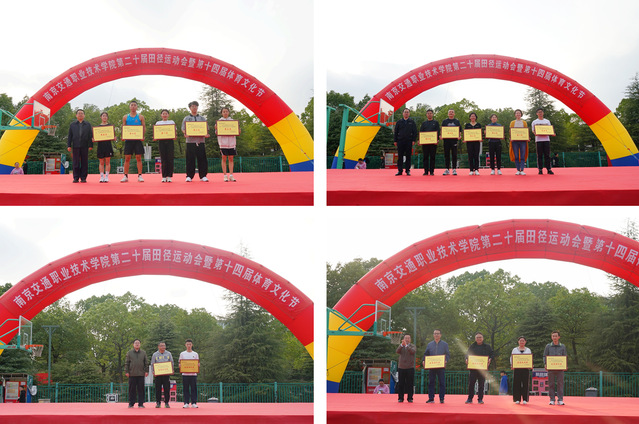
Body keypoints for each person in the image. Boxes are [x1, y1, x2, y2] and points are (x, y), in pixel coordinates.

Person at [181, 101, 209, 182]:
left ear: (197, 107)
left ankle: (203, 176)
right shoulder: (186, 118)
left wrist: (206, 134)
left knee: (202, 159)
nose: (194, 108)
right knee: (190, 159)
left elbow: (206, 128)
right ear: (190, 108)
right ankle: (189, 176)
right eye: (192, 106)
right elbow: (183, 129)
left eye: (196, 106)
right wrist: (185, 133)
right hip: (190, 142)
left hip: (201, 141)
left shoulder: (202, 118)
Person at [121, 100, 146, 182]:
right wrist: (123, 136)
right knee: (127, 158)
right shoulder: (125, 117)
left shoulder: (140, 117)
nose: (133, 106)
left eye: (135, 105)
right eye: (132, 105)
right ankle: (125, 175)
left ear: (137, 107)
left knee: (138, 158)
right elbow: (123, 127)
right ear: (129, 106)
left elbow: (144, 127)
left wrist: (143, 136)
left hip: (137, 140)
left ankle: (140, 175)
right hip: (128, 140)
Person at [465, 332, 493, 404]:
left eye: (480, 337)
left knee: (481, 384)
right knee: (471, 384)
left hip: (482, 369)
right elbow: (467, 354)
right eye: (477, 337)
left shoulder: (487, 346)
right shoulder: (472, 346)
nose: (479, 339)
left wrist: (490, 359)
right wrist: (466, 359)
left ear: (482, 338)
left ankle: (480, 399)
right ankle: (469, 398)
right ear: (475, 338)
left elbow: (492, 354)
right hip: (473, 368)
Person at [422, 329, 450, 403]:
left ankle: (441, 398)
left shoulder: (445, 344)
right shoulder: (429, 344)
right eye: (435, 333)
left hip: (441, 366)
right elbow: (426, 354)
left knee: (442, 382)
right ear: (433, 335)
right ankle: (431, 398)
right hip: (432, 366)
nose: (436, 335)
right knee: (431, 382)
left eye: (438, 333)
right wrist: (424, 360)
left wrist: (446, 360)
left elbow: (448, 354)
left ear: (440, 335)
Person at [67, 109, 93, 183]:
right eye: (79, 113)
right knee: (75, 162)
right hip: (75, 146)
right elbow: (70, 136)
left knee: (84, 162)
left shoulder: (88, 124)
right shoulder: (72, 125)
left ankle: (83, 178)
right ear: (76, 115)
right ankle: (76, 177)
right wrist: (69, 145)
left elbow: (90, 135)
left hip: (85, 146)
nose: (80, 115)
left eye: (82, 113)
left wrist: (90, 145)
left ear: (84, 115)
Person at [216, 107, 240, 182]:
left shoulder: (233, 122)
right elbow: (216, 133)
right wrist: (216, 128)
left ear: (229, 112)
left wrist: (238, 129)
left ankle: (231, 175)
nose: (225, 113)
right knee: (224, 158)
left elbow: (238, 132)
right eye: (224, 111)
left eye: (226, 111)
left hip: (232, 143)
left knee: (231, 158)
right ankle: (225, 175)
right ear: (221, 113)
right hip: (223, 143)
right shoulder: (219, 122)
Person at [544, 330, 567, 405]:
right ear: (551, 337)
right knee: (551, 384)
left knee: (560, 384)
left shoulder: (562, 346)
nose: (554, 337)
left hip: (560, 368)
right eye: (553, 336)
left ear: (559, 337)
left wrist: (565, 365)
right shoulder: (548, 346)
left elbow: (565, 356)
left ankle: (560, 399)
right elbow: (545, 356)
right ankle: (552, 399)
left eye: (556, 336)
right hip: (551, 368)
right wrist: (545, 364)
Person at [125, 339, 149, 408]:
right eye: (136, 343)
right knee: (131, 390)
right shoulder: (129, 353)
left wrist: (146, 371)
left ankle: (141, 403)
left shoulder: (143, 353)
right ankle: (131, 403)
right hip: (132, 374)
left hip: (141, 374)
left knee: (141, 389)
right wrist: (126, 371)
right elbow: (127, 363)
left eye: (138, 343)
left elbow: (146, 363)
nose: (137, 344)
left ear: (140, 344)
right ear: (133, 344)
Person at [393, 109, 417, 176]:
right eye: (405, 112)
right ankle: (400, 170)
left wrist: (413, 140)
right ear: (403, 113)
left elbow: (415, 132)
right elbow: (396, 132)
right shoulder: (399, 122)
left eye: (407, 112)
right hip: (400, 141)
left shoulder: (412, 122)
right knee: (400, 156)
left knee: (408, 156)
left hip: (409, 141)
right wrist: (395, 140)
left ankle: (407, 170)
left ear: (409, 114)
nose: (406, 113)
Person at [151, 341, 174, 408]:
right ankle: (158, 403)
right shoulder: (155, 354)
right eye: (161, 346)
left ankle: (166, 403)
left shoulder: (168, 354)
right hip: (158, 375)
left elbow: (171, 362)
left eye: (164, 345)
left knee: (167, 389)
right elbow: (152, 363)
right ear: (158, 347)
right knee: (158, 389)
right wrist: (153, 371)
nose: (163, 347)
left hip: (166, 374)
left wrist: (171, 370)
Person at [532, 108, 554, 175]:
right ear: (537, 114)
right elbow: (533, 130)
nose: (540, 113)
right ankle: (540, 169)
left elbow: (550, 129)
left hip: (546, 140)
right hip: (538, 140)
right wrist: (535, 133)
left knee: (547, 155)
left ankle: (549, 169)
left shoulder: (547, 121)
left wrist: (552, 133)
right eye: (539, 112)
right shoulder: (534, 122)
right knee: (539, 155)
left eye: (541, 112)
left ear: (543, 113)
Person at [156, 109, 176, 183]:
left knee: (170, 159)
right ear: (161, 115)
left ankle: (169, 176)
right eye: (163, 114)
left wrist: (175, 135)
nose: (164, 115)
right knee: (163, 159)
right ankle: (164, 176)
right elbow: (156, 132)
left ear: (168, 115)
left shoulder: (171, 122)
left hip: (170, 141)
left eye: (166, 114)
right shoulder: (158, 123)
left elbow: (175, 131)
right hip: (161, 142)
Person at [511, 336, 532, 404]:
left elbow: (530, 358)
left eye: (523, 341)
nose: (522, 342)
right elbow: (511, 358)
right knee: (516, 383)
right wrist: (512, 365)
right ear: (518, 342)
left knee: (525, 383)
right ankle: (517, 399)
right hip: (517, 369)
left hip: (525, 369)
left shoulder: (528, 350)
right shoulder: (515, 350)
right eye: (520, 341)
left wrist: (530, 365)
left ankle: (525, 399)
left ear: (525, 342)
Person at [395, 334, 416, 403]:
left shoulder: (412, 346)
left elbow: (412, 351)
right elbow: (397, 351)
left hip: (410, 367)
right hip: (401, 367)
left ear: (410, 339)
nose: (407, 339)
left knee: (410, 384)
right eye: (405, 338)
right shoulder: (401, 346)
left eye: (408, 338)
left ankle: (410, 398)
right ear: (403, 339)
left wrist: (406, 346)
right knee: (401, 383)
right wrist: (401, 345)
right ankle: (400, 398)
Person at [179, 339, 199, 408]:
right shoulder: (182, 354)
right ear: (185, 345)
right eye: (187, 344)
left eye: (190, 344)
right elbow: (180, 363)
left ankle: (194, 402)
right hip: (185, 374)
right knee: (185, 389)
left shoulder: (195, 354)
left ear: (192, 345)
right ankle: (186, 402)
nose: (189, 346)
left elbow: (197, 363)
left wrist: (197, 365)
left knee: (194, 388)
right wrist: (180, 366)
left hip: (193, 374)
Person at [420, 109, 440, 176]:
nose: (429, 114)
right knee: (425, 157)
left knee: (432, 157)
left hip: (433, 143)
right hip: (425, 143)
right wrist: (420, 140)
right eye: (428, 113)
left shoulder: (436, 123)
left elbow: (438, 131)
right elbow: (421, 132)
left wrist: (437, 140)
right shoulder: (424, 123)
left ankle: (432, 171)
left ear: (433, 114)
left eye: (430, 113)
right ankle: (425, 171)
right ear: (426, 115)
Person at [95, 112, 114, 183]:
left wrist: (114, 137)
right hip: (100, 146)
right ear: (101, 117)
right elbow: (95, 137)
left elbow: (113, 136)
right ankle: (101, 176)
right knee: (101, 162)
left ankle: (107, 176)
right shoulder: (97, 128)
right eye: (103, 116)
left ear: (107, 117)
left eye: (106, 116)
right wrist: (94, 139)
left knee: (108, 162)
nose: (104, 117)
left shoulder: (110, 127)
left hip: (108, 146)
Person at [441, 109, 461, 175]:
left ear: (454, 114)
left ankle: (454, 169)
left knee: (454, 155)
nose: (451, 113)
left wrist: (459, 136)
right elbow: (442, 130)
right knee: (446, 155)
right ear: (448, 114)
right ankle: (447, 169)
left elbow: (459, 130)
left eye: (452, 112)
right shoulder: (444, 121)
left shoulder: (457, 121)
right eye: (450, 112)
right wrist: (441, 136)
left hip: (454, 140)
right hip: (446, 140)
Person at [509, 109, 529, 175]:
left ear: (521, 114)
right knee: (516, 156)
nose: (518, 114)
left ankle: (522, 170)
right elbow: (510, 131)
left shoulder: (524, 122)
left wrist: (527, 137)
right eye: (517, 113)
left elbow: (526, 131)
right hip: (514, 141)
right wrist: (511, 137)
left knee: (522, 155)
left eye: (519, 113)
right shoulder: (512, 122)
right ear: (515, 115)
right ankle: (518, 170)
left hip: (523, 141)